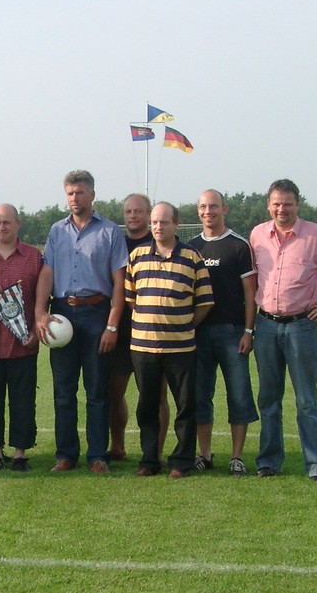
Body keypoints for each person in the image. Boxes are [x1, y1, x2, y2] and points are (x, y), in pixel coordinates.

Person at [249, 178, 317, 481]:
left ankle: (316, 464)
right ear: (268, 205)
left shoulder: (316, 235)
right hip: (266, 325)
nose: (282, 209)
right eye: (276, 204)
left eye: (288, 204)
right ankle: (269, 461)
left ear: (298, 204)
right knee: (268, 399)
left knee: (307, 400)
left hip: (301, 327)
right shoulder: (257, 234)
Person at [34, 170, 127, 474]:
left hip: (96, 314)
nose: (74, 198)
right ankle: (66, 455)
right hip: (61, 314)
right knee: (63, 391)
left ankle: (97, 456)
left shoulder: (110, 231)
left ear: (92, 195)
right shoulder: (56, 231)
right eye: (70, 193)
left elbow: (119, 282)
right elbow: (47, 273)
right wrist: (40, 312)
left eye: (80, 192)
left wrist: (112, 325)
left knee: (97, 391)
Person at [126, 202, 214, 478]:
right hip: (144, 346)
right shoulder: (137, 256)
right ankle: (149, 460)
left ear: (176, 224)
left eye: (163, 222)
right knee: (147, 406)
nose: (158, 227)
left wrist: (183, 324)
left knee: (185, 406)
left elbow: (204, 301)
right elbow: (131, 299)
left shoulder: (192, 257)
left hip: (181, 346)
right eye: (154, 222)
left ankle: (181, 461)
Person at [188, 189, 259, 476]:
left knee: (238, 395)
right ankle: (204, 454)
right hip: (198, 334)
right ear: (198, 211)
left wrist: (248, 331)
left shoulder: (239, 246)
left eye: (213, 206)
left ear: (224, 209)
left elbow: (250, 293)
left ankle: (237, 456)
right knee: (199, 396)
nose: (208, 212)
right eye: (203, 207)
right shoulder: (191, 247)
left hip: (232, 332)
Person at [0, 204, 43, 471]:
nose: (1, 227)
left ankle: (20, 453)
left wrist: (36, 329)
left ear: (18, 224)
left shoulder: (34, 257)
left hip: (22, 343)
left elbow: (42, 297)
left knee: (23, 400)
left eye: (6, 222)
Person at [107, 192, 168, 462]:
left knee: (156, 394)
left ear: (149, 214)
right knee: (114, 391)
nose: (133, 216)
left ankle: (156, 452)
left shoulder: (160, 243)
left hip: (153, 331)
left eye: (138, 211)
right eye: (128, 212)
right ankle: (117, 447)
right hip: (120, 330)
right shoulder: (116, 243)